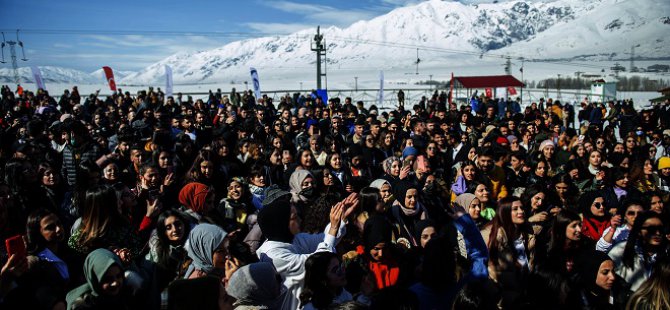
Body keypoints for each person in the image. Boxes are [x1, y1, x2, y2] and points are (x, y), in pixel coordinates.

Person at [256, 187, 353, 310]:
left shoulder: (292, 238)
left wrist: (341, 220)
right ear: (281, 223)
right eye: (294, 218)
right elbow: (317, 262)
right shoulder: (274, 255)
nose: (300, 220)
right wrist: (333, 227)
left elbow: (324, 239)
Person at [608, 211, 666, 291]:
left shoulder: (666, 254)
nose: (658, 233)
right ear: (639, 231)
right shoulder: (620, 251)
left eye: (661, 229)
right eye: (651, 229)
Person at [66, 248, 133, 310]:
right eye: (108, 279)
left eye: (118, 276)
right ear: (95, 279)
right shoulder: (83, 305)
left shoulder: (129, 295)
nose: (115, 283)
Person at [300, 252, 370, 309]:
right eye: (336, 270)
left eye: (341, 265)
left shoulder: (343, 293)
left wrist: (365, 295)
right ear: (322, 279)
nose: (343, 271)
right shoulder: (311, 307)